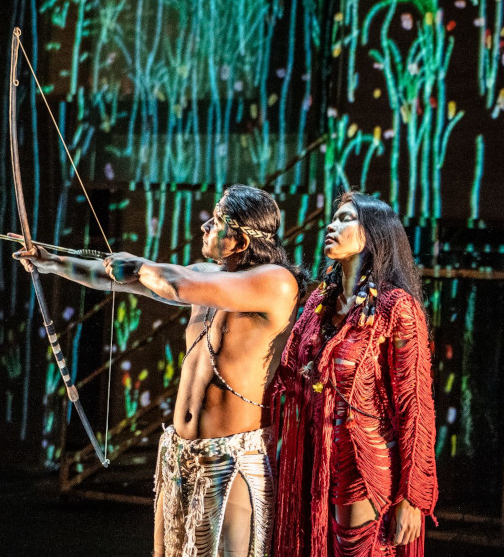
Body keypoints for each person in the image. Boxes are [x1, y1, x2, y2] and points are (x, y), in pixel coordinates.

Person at [15, 184, 305, 557]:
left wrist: (138, 264)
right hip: (182, 456)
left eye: (216, 221)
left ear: (240, 238)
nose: (204, 227)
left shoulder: (277, 282)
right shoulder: (209, 276)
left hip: (233, 461)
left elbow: (173, 284)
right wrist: (50, 262)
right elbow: (117, 278)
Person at [270, 192, 437, 557]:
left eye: (346, 219)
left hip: (364, 466)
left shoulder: (396, 308)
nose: (332, 225)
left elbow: (416, 406)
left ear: (375, 234)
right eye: (334, 218)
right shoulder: (318, 303)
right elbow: (287, 375)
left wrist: (411, 497)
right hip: (315, 460)